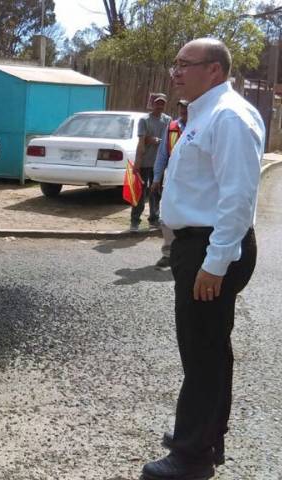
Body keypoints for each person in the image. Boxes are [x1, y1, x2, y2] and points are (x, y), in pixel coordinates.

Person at [141, 38, 264, 480]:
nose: (175, 71)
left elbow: (238, 195)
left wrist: (215, 263)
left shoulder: (228, 116)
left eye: (185, 64)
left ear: (214, 69)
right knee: (206, 350)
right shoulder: (205, 113)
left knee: (203, 354)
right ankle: (203, 438)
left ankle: (191, 457)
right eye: (174, 63)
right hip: (196, 246)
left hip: (211, 248)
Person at [150, 100, 189, 269]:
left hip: (193, 183)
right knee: (166, 218)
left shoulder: (202, 125)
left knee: (189, 219)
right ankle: (168, 254)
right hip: (172, 180)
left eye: (187, 107)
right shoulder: (172, 127)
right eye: (181, 107)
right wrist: (156, 178)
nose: (183, 110)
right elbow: (162, 155)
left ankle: (189, 255)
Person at [131, 93, 171, 231]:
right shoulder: (145, 120)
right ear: (152, 104)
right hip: (144, 162)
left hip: (158, 164)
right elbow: (141, 142)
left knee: (156, 193)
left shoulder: (167, 120)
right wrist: (137, 162)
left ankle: (154, 219)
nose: (159, 106)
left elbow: (169, 141)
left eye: (162, 103)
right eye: (157, 103)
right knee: (140, 193)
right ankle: (135, 221)